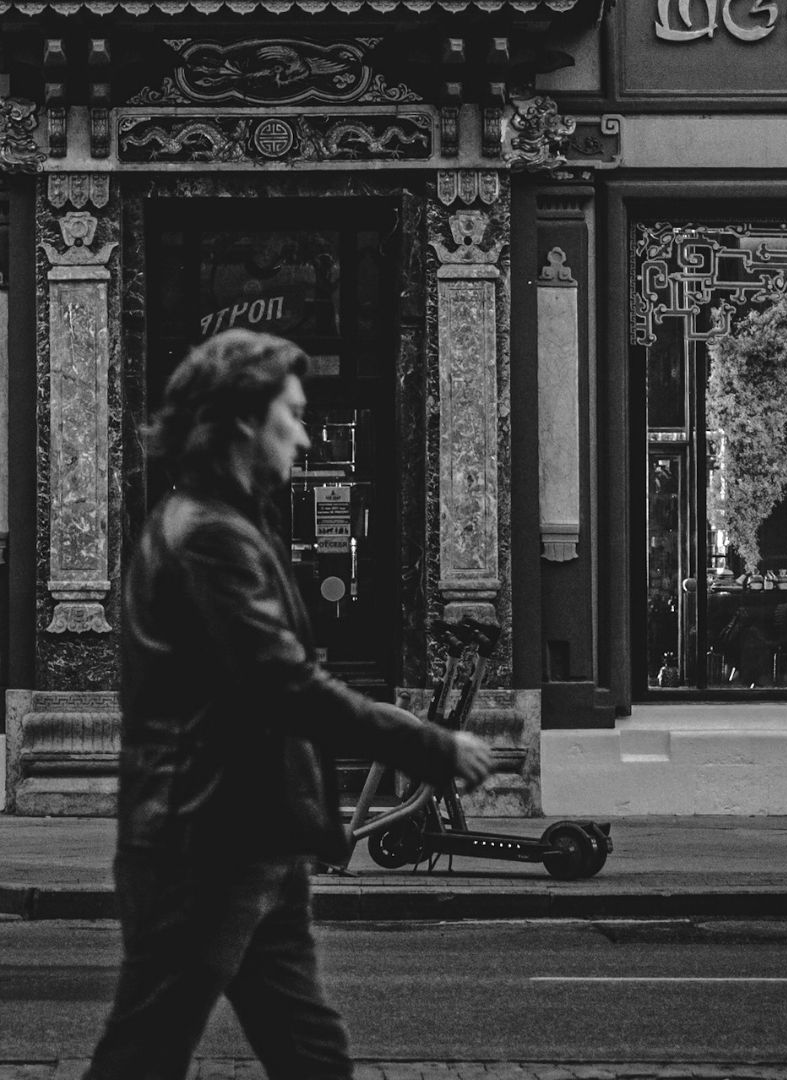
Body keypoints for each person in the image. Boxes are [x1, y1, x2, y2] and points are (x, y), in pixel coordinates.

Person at [84, 328, 496, 1080]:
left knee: (309, 1050)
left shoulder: (224, 522)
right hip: (204, 838)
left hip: (246, 828)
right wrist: (428, 745)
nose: (305, 437)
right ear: (245, 420)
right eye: (294, 415)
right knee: (147, 1051)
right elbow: (284, 684)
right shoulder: (209, 537)